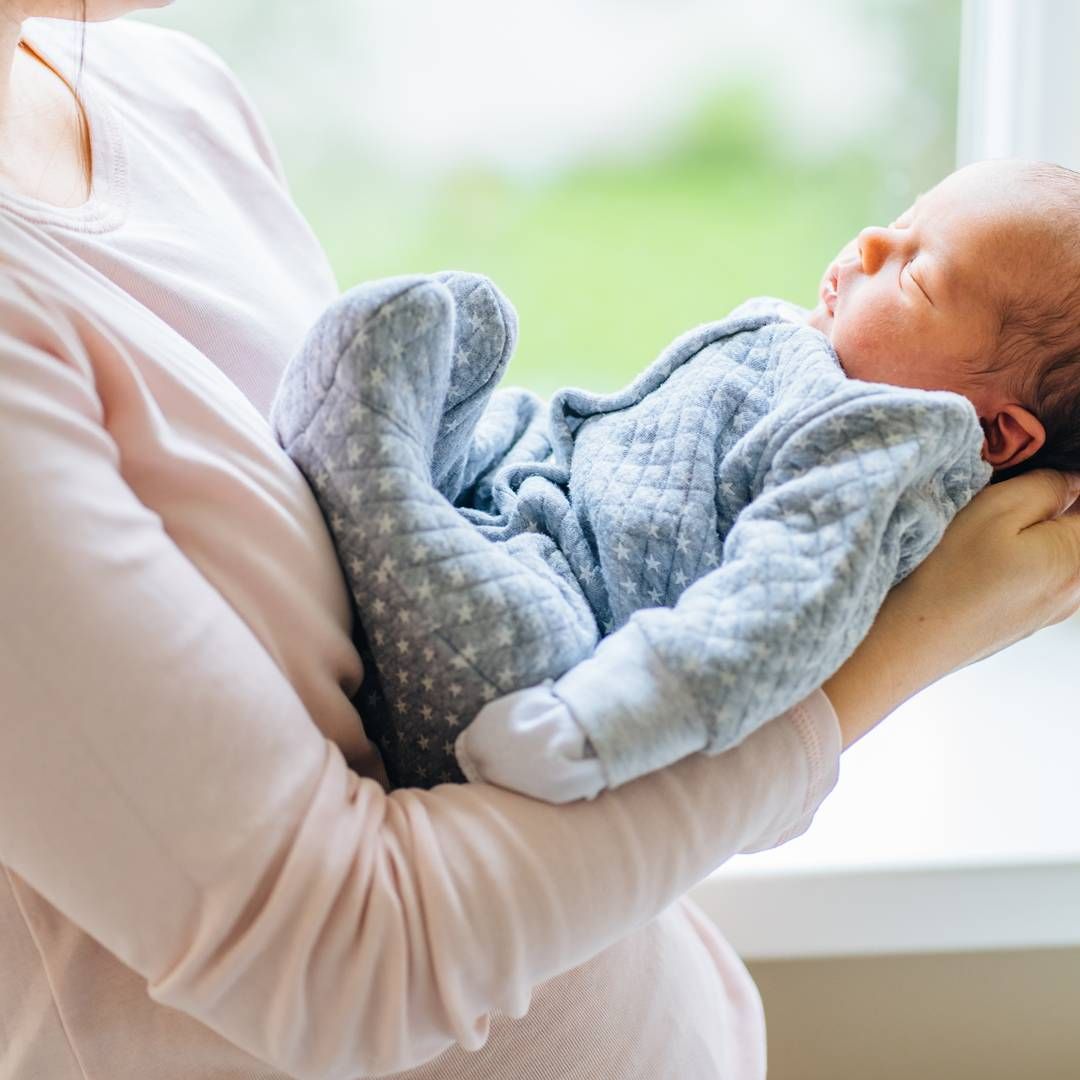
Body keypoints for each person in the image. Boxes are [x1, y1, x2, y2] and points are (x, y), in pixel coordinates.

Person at [2, 7, 1080, 1080]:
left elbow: (721, 625)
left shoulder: (164, 92)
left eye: (922, 275)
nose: (864, 248)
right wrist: (911, 645)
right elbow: (346, 964)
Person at [272, 159, 1076, 799]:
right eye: (902, 224)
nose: (869, 243)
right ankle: (400, 477)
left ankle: (368, 476)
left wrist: (597, 726)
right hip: (541, 492)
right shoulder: (824, 359)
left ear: (997, 431)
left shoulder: (887, 446)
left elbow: (773, 617)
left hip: (566, 629)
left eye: (918, 277)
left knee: (509, 635)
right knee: (472, 322)